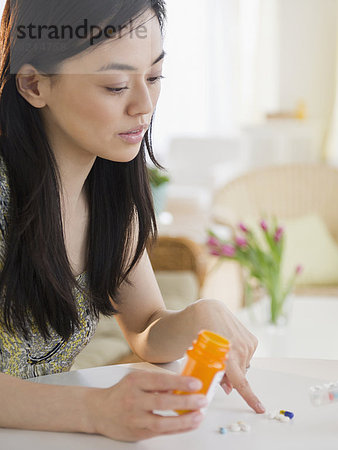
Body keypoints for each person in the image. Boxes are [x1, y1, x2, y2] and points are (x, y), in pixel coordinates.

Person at [0, 0, 264, 441]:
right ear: (32, 84)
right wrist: (94, 409)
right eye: (116, 85)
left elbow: (144, 328)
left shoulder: (109, 190)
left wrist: (203, 315)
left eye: (155, 77)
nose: (144, 105)